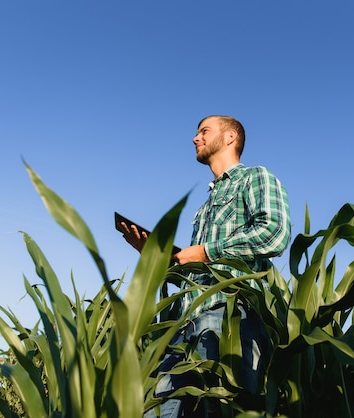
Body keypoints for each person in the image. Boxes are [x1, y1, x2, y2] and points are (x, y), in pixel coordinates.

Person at [120, 115, 291, 417]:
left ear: (229, 138)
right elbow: (194, 273)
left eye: (203, 131)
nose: (194, 138)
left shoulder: (255, 178)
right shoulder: (203, 209)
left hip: (231, 321)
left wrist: (205, 251)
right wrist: (155, 258)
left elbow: (274, 233)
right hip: (185, 329)